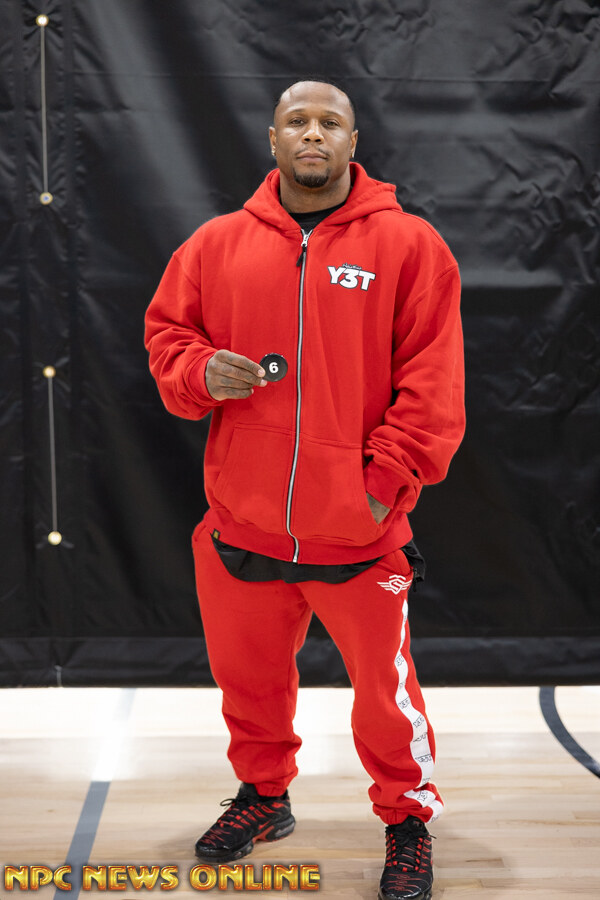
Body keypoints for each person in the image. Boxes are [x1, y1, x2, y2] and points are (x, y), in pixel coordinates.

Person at [145, 78, 465, 900]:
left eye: (330, 122)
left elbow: (433, 387)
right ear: (274, 139)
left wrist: (378, 488)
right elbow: (167, 340)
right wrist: (198, 372)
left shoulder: (410, 245)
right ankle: (264, 797)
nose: (313, 134)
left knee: (386, 703)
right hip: (241, 526)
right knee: (249, 687)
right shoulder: (215, 245)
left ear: (354, 142)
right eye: (298, 121)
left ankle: (407, 825)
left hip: (358, 532)